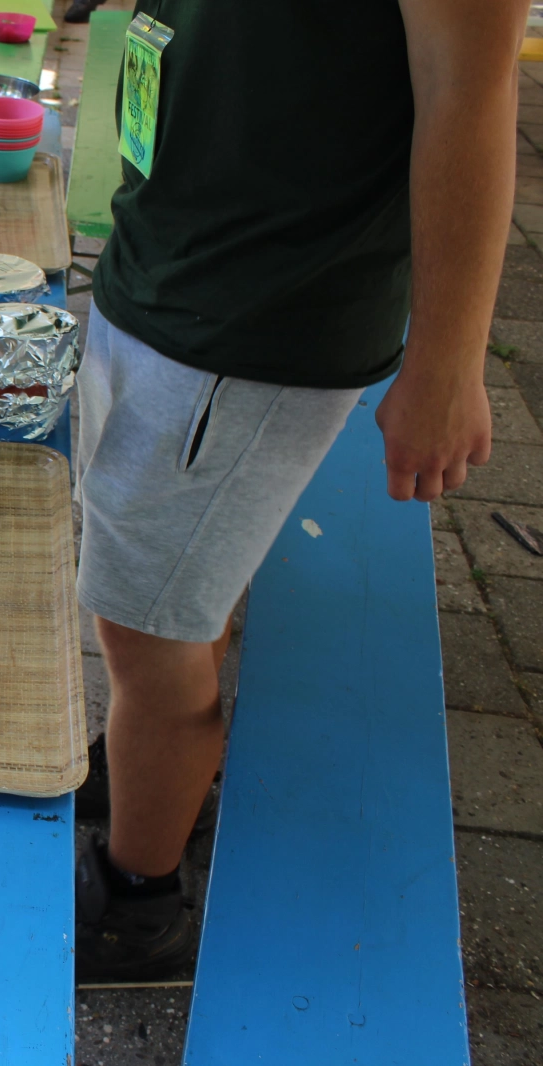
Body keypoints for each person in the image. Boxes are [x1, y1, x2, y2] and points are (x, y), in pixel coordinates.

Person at [72, 0, 524, 980]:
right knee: (171, 594)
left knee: (146, 628)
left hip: (250, 314)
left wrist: (447, 362)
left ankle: (138, 902)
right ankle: (154, 766)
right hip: (165, 263)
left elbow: (470, 86)